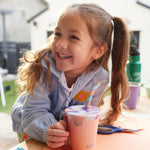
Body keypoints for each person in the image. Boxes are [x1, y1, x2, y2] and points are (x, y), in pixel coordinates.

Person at [11, 3, 129, 149]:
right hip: (32, 125)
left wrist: (71, 123)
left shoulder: (99, 79)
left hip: (63, 131)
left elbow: (86, 111)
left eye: (73, 37)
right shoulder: (45, 67)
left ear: (98, 50)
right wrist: (48, 130)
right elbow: (33, 112)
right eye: (57, 34)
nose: (60, 44)